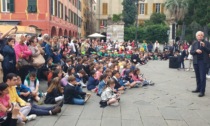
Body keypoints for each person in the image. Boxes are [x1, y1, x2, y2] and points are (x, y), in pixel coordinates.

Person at [190, 31, 210, 97]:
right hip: (196, 62)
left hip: (203, 62)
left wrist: (204, 46)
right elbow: (191, 52)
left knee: (202, 77)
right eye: (198, 35)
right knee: (197, 76)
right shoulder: (194, 43)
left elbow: (209, 51)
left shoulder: (207, 43)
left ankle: (202, 91)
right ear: (196, 37)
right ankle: (198, 88)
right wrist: (196, 51)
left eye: (201, 35)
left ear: (203, 36)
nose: (200, 36)